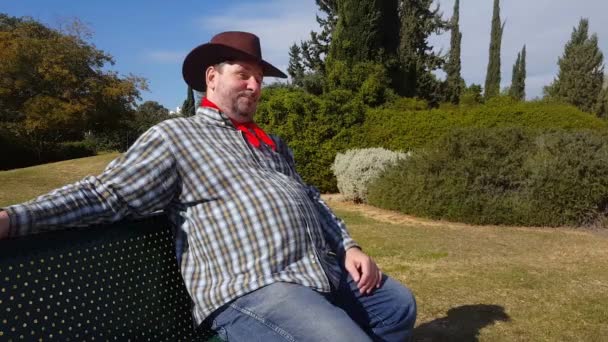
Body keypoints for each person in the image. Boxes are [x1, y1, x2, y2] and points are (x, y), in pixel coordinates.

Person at [0, 31, 416, 341]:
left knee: (398, 306)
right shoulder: (176, 137)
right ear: (212, 77)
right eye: (244, 75)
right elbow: (106, 194)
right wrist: (13, 218)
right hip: (255, 289)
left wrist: (349, 246)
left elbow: (311, 198)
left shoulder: (271, 144)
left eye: (259, 78)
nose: (254, 86)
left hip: (318, 274)